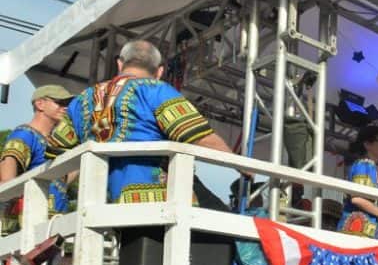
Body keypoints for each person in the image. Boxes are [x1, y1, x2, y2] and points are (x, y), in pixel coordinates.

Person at [50, 40, 238, 203]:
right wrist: (240, 166)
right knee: (226, 233)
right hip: (158, 197)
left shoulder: (82, 100)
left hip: (101, 202)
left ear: (119, 64)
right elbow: (199, 136)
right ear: (160, 71)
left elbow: (55, 153)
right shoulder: (156, 90)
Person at [0, 85, 76, 232]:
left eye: (67, 104)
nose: (65, 108)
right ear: (40, 104)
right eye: (59, 102)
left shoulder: (55, 143)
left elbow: (63, 181)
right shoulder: (24, 134)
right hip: (28, 224)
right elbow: (7, 179)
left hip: (51, 224)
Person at [337, 125, 378, 238]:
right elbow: (357, 199)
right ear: (367, 144)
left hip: (359, 231)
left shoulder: (363, 165)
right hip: (357, 232)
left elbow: (362, 201)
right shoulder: (366, 164)